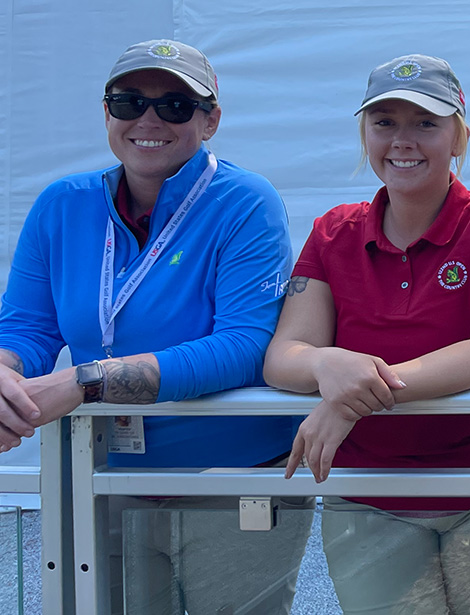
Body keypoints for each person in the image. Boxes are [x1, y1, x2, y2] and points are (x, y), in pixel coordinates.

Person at [0, 39, 311, 614]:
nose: (148, 119)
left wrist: (82, 382)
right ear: (107, 112)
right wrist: (6, 378)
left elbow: (244, 346)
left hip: (231, 477)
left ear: (210, 119)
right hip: (103, 474)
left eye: (174, 105)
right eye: (128, 102)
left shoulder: (245, 201)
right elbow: (26, 329)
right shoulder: (61, 205)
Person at [263, 54, 470, 615]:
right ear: (365, 134)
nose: (403, 140)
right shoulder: (333, 231)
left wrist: (354, 401)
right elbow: (284, 355)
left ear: (459, 136)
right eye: (385, 122)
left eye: (426, 123)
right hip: (369, 491)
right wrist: (329, 367)